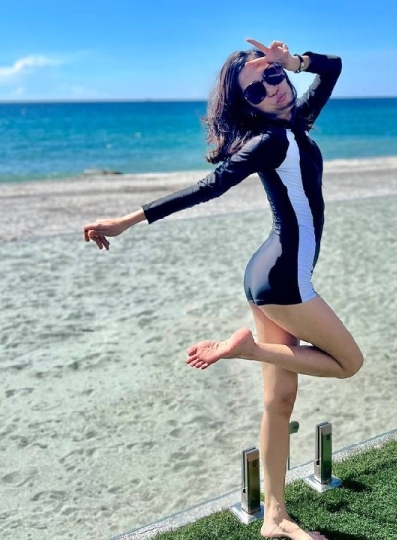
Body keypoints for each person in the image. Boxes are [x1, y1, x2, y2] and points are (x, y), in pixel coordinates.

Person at [83, 38, 364, 540]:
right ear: (247, 105)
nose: (272, 89)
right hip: (285, 280)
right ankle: (248, 349)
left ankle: (274, 518)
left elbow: (334, 67)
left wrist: (293, 61)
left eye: (273, 76)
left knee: (279, 402)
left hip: (266, 273)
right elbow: (207, 188)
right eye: (256, 90)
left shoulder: (295, 122)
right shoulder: (270, 141)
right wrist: (126, 221)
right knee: (348, 363)